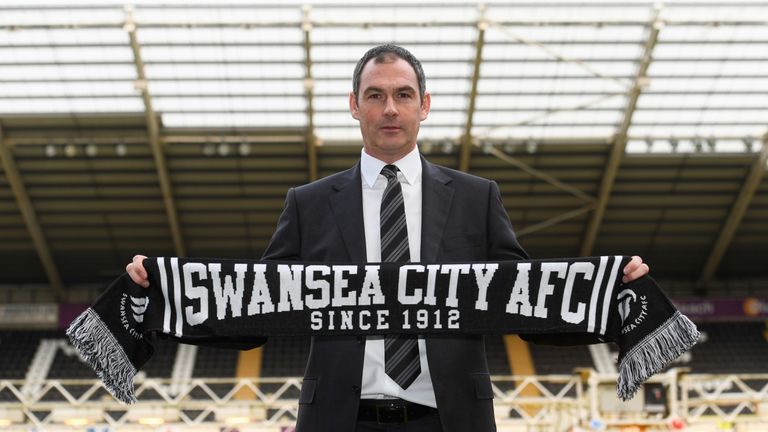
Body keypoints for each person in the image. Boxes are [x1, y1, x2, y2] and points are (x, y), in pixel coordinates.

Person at [126, 44, 649, 432]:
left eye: (403, 95)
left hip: (451, 419)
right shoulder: (307, 203)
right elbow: (259, 307)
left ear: (425, 105)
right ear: (354, 105)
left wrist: (612, 294)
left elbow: (522, 303)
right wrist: (162, 293)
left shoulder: (477, 197)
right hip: (338, 419)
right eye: (376, 96)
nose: (390, 109)